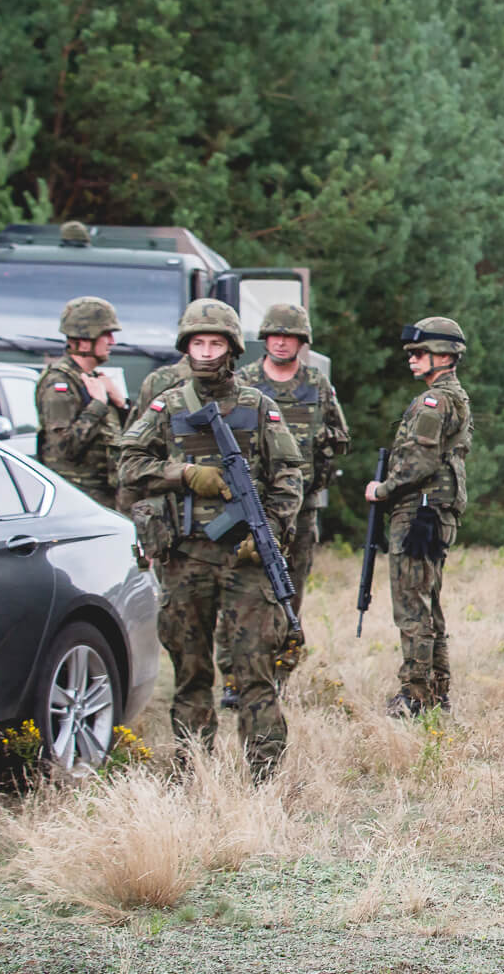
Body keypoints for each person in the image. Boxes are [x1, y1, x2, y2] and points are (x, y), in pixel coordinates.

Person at [117, 299, 304, 779]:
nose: (204, 352)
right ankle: (191, 769)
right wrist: (185, 474)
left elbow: (288, 478)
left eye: (214, 343)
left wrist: (272, 534)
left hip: (244, 560)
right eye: (197, 343)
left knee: (255, 672)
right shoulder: (168, 405)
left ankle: (266, 777)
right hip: (185, 557)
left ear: (231, 348)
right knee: (191, 673)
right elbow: (129, 466)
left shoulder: (258, 407)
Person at [365, 317, 473, 717]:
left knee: (412, 604)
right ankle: (435, 690)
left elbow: (420, 460)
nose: (412, 360)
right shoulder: (449, 396)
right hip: (433, 511)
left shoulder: (435, 401)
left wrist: (383, 489)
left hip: (420, 512)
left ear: (444, 356)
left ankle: (415, 695)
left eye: (419, 353)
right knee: (427, 601)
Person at [239, 304, 349, 586]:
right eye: (275, 335)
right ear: (265, 338)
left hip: (303, 507)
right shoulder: (244, 382)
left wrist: (315, 443)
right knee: (253, 587)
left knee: (293, 586)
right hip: (257, 504)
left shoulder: (316, 383)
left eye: (289, 336)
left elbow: (341, 436)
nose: (281, 341)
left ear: (301, 341)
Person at [36, 296, 127, 508]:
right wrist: (97, 405)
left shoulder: (92, 378)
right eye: (106, 334)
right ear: (85, 341)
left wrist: (121, 404)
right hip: (77, 500)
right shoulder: (58, 383)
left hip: (104, 498)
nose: (112, 341)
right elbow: (63, 449)